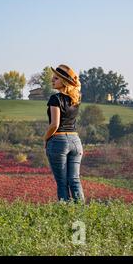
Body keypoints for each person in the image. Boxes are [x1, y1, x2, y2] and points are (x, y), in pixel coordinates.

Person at [44, 64, 84, 202]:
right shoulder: (76, 98)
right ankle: (82, 214)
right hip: (76, 141)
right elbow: (77, 86)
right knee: (75, 180)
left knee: (62, 183)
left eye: (56, 78)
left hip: (59, 141)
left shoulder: (55, 99)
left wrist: (46, 139)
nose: (52, 80)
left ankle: (65, 215)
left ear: (64, 81)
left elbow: (54, 124)